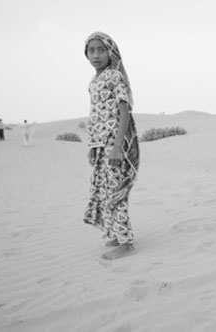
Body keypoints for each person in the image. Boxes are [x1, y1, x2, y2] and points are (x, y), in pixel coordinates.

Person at [83, 32, 140, 260]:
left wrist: (117, 147)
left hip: (116, 144)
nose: (96, 55)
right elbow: (96, 116)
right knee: (105, 191)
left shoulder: (115, 77)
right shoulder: (94, 81)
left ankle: (126, 243)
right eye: (91, 50)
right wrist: (93, 146)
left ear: (111, 52)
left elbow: (124, 114)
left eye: (101, 49)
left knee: (117, 191)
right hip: (100, 146)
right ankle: (117, 234)